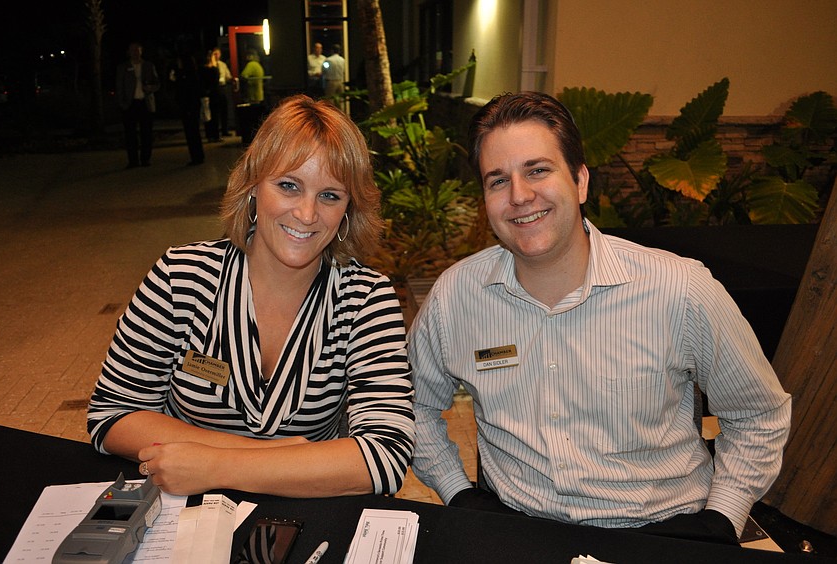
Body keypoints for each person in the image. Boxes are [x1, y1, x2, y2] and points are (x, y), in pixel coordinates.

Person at [408, 91, 791, 545]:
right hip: (519, 532)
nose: (520, 196)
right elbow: (412, 407)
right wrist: (458, 493)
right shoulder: (456, 297)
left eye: (537, 170)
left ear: (581, 181)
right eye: (497, 180)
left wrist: (722, 517)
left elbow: (758, 415)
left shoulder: (679, 289)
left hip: (664, 534)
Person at [87, 95, 415, 498]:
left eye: (330, 195)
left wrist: (215, 465)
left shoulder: (366, 298)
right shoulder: (181, 278)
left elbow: (387, 454)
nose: (307, 214)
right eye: (289, 186)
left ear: (348, 210)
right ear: (253, 187)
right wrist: (281, 457)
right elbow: (113, 413)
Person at [115, 42, 160, 168]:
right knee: (130, 134)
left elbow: (157, 83)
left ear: (141, 51)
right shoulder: (123, 67)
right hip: (130, 104)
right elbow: (119, 87)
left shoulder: (148, 66)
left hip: (145, 103)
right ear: (129, 52)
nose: (135, 52)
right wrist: (122, 103)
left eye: (137, 50)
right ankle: (133, 161)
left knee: (146, 133)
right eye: (132, 50)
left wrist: (149, 88)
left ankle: (145, 159)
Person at [169, 50, 204, 165]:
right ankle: (197, 156)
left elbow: (185, 92)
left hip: (189, 107)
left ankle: (196, 156)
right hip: (191, 106)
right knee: (193, 132)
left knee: (192, 132)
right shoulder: (192, 74)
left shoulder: (186, 76)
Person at [210, 47, 234, 137]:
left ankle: (225, 129)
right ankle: (215, 132)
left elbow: (228, 76)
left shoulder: (222, 65)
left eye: (218, 54)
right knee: (215, 112)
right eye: (215, 54)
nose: (216, 56)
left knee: (224, 110)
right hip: (215, 89)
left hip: (222, 88)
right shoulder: (211, 66)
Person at [200, 50, 221, 142]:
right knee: (210, 115)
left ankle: (211, 135)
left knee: (210, 115)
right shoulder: (213, 70)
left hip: (209, 95)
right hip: (211, 95)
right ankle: (213, 135)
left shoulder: (204, 70)